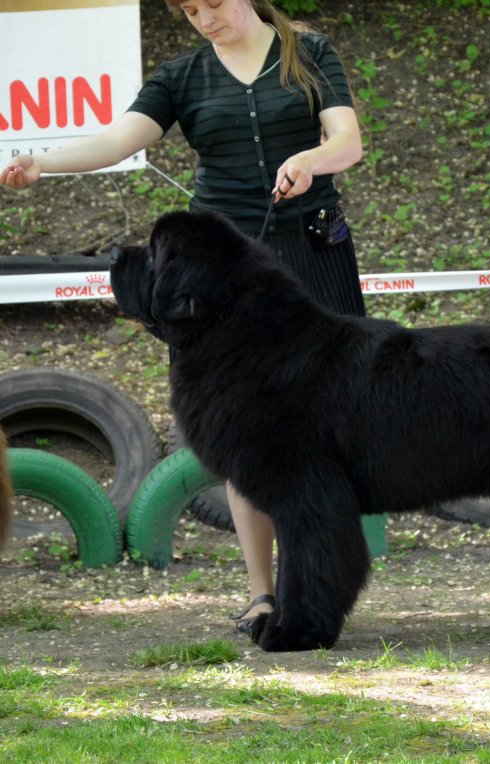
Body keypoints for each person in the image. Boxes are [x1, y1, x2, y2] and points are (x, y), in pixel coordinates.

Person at [1, 0, 366, 634]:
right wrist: (44, 162)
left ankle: (320, 587)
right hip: (217, 276)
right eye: (189, 9)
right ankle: (262, 593)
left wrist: (310, 161)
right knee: (242, 432)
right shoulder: (181, 77)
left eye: (213, 3)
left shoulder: (309, 55)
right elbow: (119, 140)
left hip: (313, 256)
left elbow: (347, 141)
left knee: (330, 428)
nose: (204, 17)